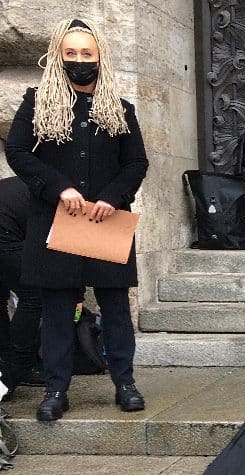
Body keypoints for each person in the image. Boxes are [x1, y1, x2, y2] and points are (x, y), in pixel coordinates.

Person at [5, 18, 149, 421]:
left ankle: (125, 383)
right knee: (55, 309)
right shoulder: (37, 103)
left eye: (87, 53)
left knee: (116, 307)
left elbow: (136, 162)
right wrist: (59, 188)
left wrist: (112, 197)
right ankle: (56, 389)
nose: (79, 60)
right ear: (57, 56)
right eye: (71, 54)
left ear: (99, 56)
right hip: (56, 222)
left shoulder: (121, 110)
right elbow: (18, 152)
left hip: (106, 222)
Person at [0, 177, 43, 398]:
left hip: (9, 227)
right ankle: (20, 365)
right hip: (6, 233)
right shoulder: (64, 193)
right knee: (34, 296)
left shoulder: (30, 180)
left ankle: (6, 363)